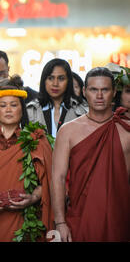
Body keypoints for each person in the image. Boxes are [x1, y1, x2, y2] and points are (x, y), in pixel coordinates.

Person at [51, 67, 130, 242]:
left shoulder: (126, 129)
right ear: (85, 92)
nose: (99, 96)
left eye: (105, 90)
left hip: (120, 217)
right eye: (94, 90)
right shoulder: (68, 131)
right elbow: (58, 177)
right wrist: (60, 222)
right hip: (80, 217)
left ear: (114, 92)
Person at [0, 77, 53, 242]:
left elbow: (49, 179)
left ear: (22, 109)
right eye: (3, 105)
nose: (8, 109)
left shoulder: (36, 139)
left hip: (26, 220)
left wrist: (34, 197)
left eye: (14, 105)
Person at [26, 58, 88, 138]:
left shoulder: (82, 109)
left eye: (61, 78)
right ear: (44, 80)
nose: (55, 84)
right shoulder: (31, 110)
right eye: (51, 78)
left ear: (68, 81)